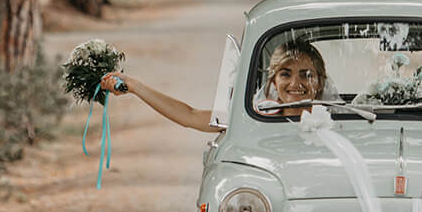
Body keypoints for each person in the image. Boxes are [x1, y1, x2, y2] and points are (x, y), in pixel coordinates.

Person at [99, 40, 328, 131]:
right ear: (274, 80)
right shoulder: (254, 115)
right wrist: (136, 86)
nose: (295, 83)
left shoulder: (340, 118)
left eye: (306, 75)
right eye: (286, 74)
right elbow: (189, 116)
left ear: (320, 82)